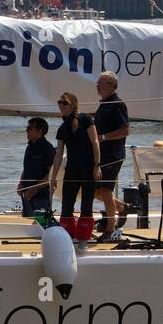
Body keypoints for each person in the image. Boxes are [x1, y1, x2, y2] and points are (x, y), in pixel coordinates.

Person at [48, 91, 102, 243]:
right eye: (59, 103)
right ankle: (68, 237)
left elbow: (95, 142)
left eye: (64, 103)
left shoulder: (85, 119)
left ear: (72, 104)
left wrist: (97, 165)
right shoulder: (62, 127)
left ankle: (83, 237)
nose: (61, 106)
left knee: (87, 204)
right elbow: (59, 154)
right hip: (72, 168)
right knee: (66, 204)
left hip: (88, 167)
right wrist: (53, 177)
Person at [93, 71, 130, 240]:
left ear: (112, 86)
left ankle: (110, 228)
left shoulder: (117, 104)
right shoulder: (103, 104)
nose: (98, 86)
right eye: (98, 83)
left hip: (113, 154)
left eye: (102, 83)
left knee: (106, 190)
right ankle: (122, 207)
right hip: (101, 154)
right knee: (96, 190)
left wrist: (103, 137)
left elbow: (125, 130)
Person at [17, 117, 55, 217]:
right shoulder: (29, 148)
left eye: (30, 128)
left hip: (41, 197)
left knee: (40, 225)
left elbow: (52, 174)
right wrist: (21, 184)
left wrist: (34, 189)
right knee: (27, 226)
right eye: (27, 128)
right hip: (27, 195)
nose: (26, 131)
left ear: (40, 131)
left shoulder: (48, 148)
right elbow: (26, 169)